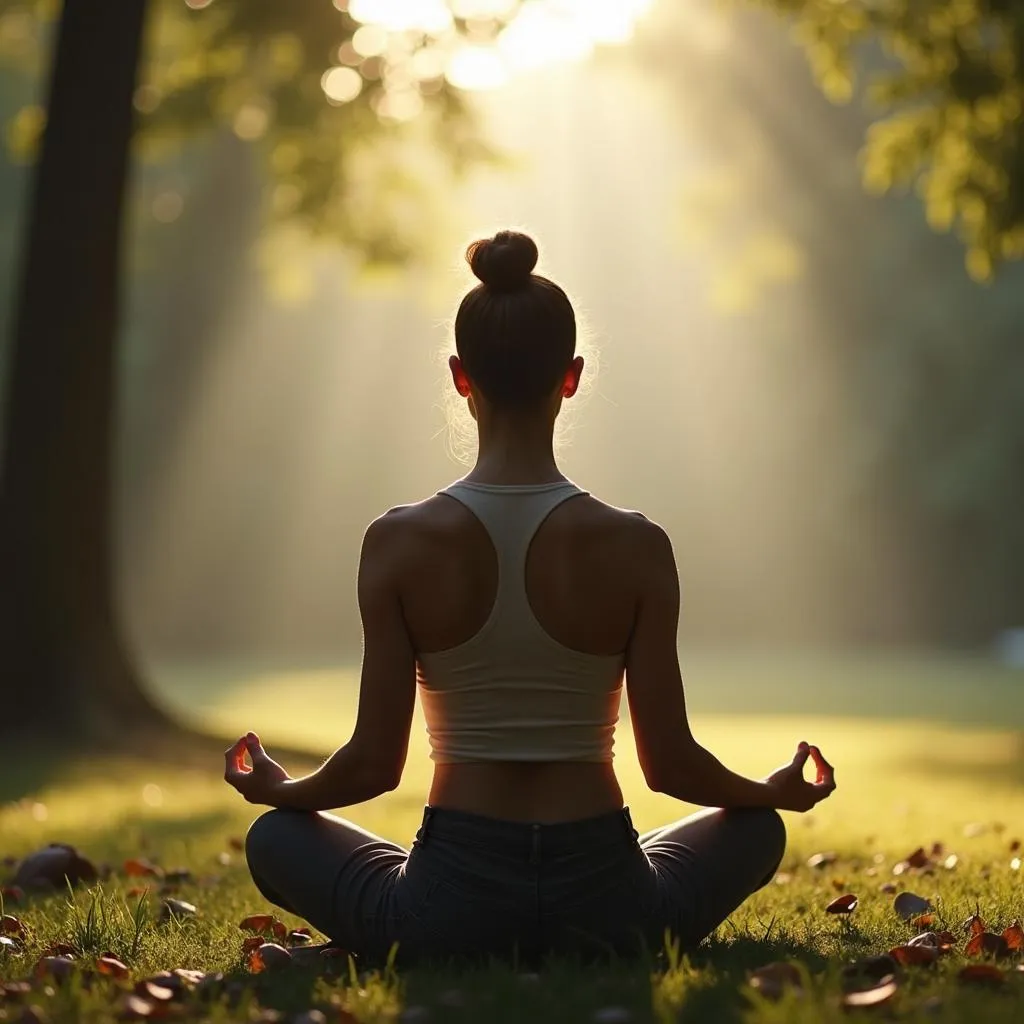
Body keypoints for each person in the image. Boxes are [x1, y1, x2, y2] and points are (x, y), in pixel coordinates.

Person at [224, 230, 837, 967]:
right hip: (611, 906)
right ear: (571, 376)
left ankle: (412, 943)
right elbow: (671, 766)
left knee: (276, 841)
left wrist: (279, 793)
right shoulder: (637, 545)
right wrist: (768, 791)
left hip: (447, 902)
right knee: (755, 828)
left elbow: (372, 767)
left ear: (460, 377)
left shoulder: (398, 543)